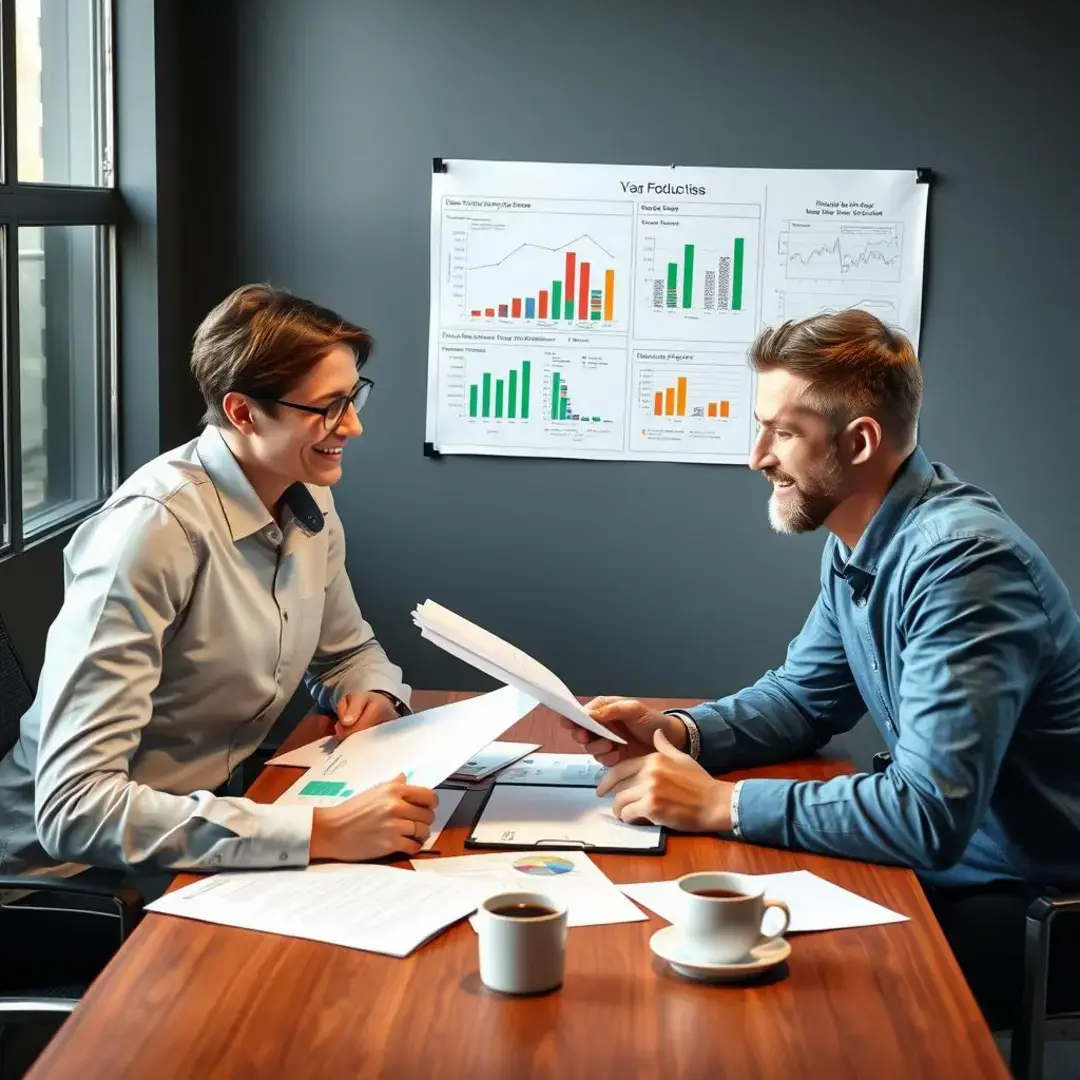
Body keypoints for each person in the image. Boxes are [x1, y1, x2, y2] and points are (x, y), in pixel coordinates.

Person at [568, 310, 1080, 1030]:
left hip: (1036, 902)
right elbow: (805, 700)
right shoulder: (863, 538)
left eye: (782, 432)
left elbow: (926, 814)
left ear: (860, 441)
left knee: (769, 979)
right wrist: (680, 733)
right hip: (961, 868)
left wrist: (721, 805)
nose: (757, 457)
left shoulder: (965, 565)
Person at [0, 284, 438, 890]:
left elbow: (349, 652)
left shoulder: (306, 493)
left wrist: (373, 695)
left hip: (203, 834)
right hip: (70, 883)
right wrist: (322, 832)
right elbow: (74, 809)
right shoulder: (151, 534)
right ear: (242, 412)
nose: (354, 426)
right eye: (329, 406)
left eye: (354, 397)